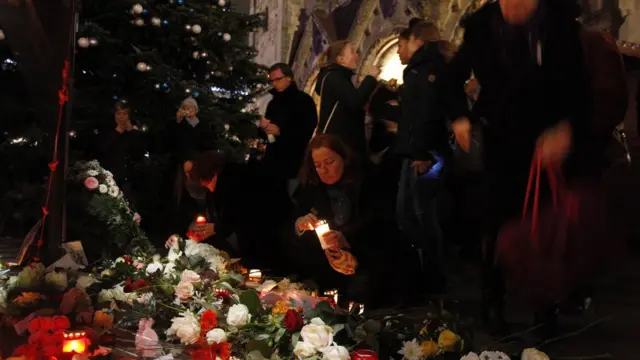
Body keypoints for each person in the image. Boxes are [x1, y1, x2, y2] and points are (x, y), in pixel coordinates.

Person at [448, 0, 590, 336]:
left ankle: (545, 307)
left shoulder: (558, 22)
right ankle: (493, 302)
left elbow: (578, 86)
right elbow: (453, 76)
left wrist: (566, 127)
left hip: (548, 139)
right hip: (500, 139)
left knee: (546, 227)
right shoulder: (482, 25)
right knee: (496, 225)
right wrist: (459, 116)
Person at [287, 134, 418, 309]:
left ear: (343, 158)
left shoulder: (369, 178)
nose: (324, 170)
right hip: (332, 262)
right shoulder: (312, 187)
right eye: (318, 165)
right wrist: (300, 225)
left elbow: (379, 221)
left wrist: (346, 239)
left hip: (373, 251)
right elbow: (295, 222)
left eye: (329, 162)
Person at [166, 151, 292, 272]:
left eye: (205, 183)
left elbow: (243, 215)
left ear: (213, 175)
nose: (206, 187)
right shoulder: (223, 182)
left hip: (272, 229)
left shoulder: (236, 182)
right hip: (257, 234)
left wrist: (217, 227)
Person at [395, 21, 450, 293]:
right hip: (417, 151)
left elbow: (426, 113)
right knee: (410, 214)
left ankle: (434, 279)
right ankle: (428, 275)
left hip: (425, 154)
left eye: (400, 45)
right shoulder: (419, 69)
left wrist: (421, 152)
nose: (397, 52)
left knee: (420, 215)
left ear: (415, 40)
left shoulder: (425, 69)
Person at [314, 40, 380, 158]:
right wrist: (370, 78)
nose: (357, 55)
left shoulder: (336, 76)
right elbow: (355, 101)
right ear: (340, 59)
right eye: (352, 52)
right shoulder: (334, 77)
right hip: (341, 144)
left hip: (342, 142)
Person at [260, 63, 318, 197]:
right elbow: (268, 132)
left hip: (294, 161)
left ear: (289, 78)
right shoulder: (273, 103)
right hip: (273, 161)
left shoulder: (303, 100)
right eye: (272, 80)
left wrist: (281, 132)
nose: (274, 84)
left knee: (293, 198)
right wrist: (264, 128)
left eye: (278, 79)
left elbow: (307, 129)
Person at [99, 100, 144, 202]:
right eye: (119, 114)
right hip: (109, 176)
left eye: (125, 114)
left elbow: (139, 153)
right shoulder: (107, 129)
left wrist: (132, 132)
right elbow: (102, 149)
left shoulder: (133, 131)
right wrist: (116, 132)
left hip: (129, 177)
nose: (122, 117)